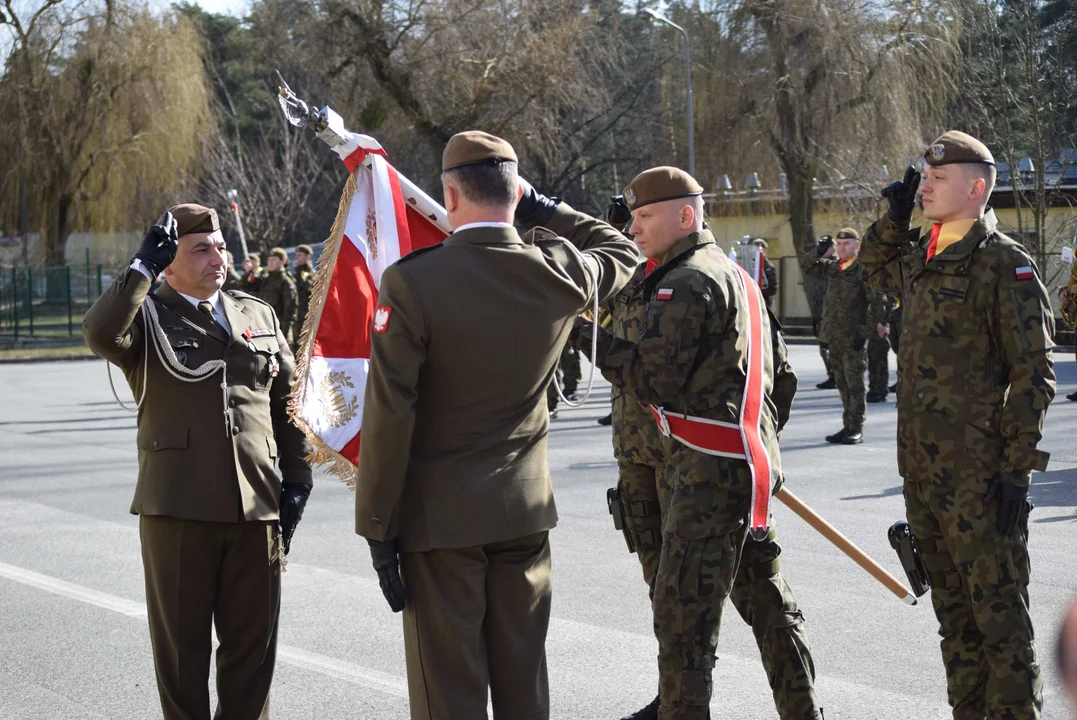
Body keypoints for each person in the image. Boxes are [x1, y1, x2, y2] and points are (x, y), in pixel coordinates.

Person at [353, 131, 639, 720]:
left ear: (449, 196)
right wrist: (547, 209)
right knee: (522, 683)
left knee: (450, 693)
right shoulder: (558, 269)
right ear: (514, 194)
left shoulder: (414, 281)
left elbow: (390, 412)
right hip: (525, 512)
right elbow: (623, 251)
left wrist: (378, 524)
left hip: (442, 520)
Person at [577, 166, 822, 720]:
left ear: (685, 216)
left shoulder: (685, 280)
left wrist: (580, 333)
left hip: (701, 472)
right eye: (631, 218)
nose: (632, 229)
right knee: (758, 602)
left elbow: (651, 379)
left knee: (685, 619)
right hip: (712, 465)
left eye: (643, 218)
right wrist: (750, 437)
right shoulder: (728, 273)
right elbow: (780, 376)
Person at [82, 204, 313, 720]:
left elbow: (286, 402)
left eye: (221, 246)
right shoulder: (146, 315)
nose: (217, 257)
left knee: (252, 656)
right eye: (201, 249)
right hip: (179, 510)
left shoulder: (257, 312)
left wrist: (297, 481)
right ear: (169, 263)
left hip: (257, 508)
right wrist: (140, 268)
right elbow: (99, 334)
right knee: (182, 659)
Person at [861, 130, 1056, 720]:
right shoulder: (923, 257)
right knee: (955, 626)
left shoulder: (1004, 266)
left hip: (979, 481)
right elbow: (870, 272)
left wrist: (1017, 474)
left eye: (937, 179)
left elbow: (1033, 375)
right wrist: (893, 220)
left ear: (976, 188)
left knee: (1001, 628)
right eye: (922, 176)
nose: (924, 185)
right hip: (922, 477)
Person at [801, 228, 886, 444]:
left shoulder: (863, 270)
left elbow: (878, 302)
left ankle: (856, 428)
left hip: (853, 337)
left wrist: (865, 332)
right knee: (841, 383)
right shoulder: (832, 268)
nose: (842, 247)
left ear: (857, 245)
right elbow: (806, 266)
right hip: (833, 336)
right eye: (838, 244)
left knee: (855, 384)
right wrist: (818, 252)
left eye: (847, 243)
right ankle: (846, 426)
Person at [810, 235, 836, 390]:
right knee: (823, 347)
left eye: (828, 247)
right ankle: (832, 375)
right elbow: (806, 264)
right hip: (819, 312)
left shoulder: (835, 265)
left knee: (831, 347)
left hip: (832, 314)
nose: (825, 250)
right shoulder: (819, 264)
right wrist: (817, 251)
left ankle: (836, 376)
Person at [261, 247, 298, 343]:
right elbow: (246, 286)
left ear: (283, 261)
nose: (270, 262)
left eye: (274, 259)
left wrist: (284, 333)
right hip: (265, 325)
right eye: (269, 259)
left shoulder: (285, 281)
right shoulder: (266, 279)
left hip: (279, 328)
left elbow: (290, 310)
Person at [866, 293, 897, 403]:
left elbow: (891, 304)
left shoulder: (883, 286)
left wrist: (884, 322)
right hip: (871, 326)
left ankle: (881, 390)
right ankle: (873, 388)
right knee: (872, 359)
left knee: (880, 359)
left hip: (881, 326)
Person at [292, 244, 316, 349]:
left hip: (306, 314)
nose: (297, 258)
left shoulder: (312, 274)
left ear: (308, 256)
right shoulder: (297, 272)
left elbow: (307, 290)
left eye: (300, 255)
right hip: (297, 314)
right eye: (296, 255)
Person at [752, 237, 779, 310]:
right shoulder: (751, 264)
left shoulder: (768, 266)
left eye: (756, 249)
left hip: (765, 303)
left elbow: (773, 289)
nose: (753, 251)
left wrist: (758, 291)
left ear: (763, 250)